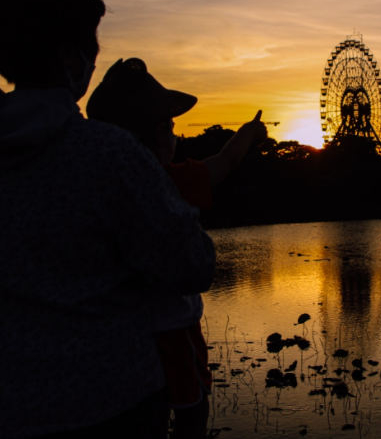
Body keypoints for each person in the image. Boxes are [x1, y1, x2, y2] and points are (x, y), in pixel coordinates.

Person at [0, 0, 215, 439]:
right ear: (69, 55)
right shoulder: (106, 153)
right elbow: (192, 264)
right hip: (97, 413)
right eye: (92, 42)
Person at [85, 58, 267, 439]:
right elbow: (226, 161)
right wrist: (248, 133)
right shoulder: (169, 180)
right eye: (171, 128)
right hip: (173, 329)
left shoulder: (92, 185)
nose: (177, 137)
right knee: (192, 412)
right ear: (151, 138)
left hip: (115, 337)